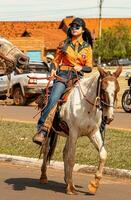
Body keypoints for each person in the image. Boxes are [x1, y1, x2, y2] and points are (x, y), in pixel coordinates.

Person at [33, 17, 93, 145]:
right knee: (54, 98)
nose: (74, 29)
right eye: (73, 26)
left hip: (78, 77)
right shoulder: (63, 44)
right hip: (63, 75)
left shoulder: (87, 48)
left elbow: (89, 67)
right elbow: (55, 61)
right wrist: (53, 69)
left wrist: (81, 67)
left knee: (92, 97)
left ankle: (98, 125)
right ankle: (43, 129)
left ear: (83, 30)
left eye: (77, 27)